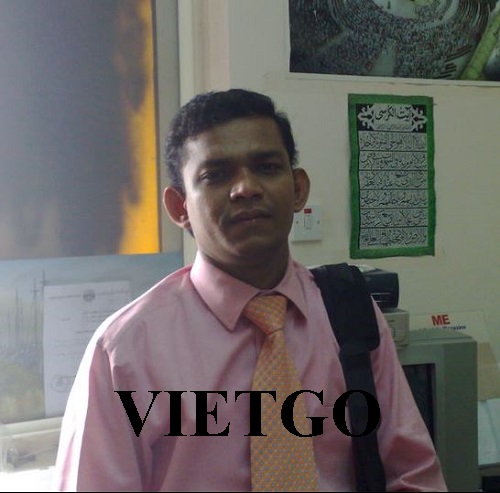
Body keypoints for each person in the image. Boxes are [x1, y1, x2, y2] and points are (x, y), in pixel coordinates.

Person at [54, 88, 447, 491]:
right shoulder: (125, 352)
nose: (245, 188)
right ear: (179, 208)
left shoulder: (349, 314)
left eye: (267, 167)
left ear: (298, 189)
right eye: (216, 175)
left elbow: (413, 474)